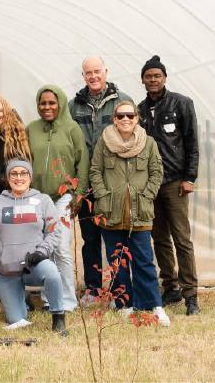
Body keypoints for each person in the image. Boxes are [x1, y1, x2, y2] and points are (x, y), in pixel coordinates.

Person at [87, 100, 168, 326]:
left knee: (144, 260)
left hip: (140, 212)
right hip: (111, 213)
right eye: (120, 116)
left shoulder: (148, 143)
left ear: (136, 118)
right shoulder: (104, 143)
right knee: (117, 261)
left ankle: (153, 305)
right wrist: (103, 195)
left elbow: (156, 171)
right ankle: (124, 304)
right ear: (114, 118)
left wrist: (147, 195)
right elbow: (95, 171)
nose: (125, 119)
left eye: (130, 116)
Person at [0, 158, 72, 334]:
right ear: (7, 178)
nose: (19, 177)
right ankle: (22, 299)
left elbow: (54, 232)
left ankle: (58, 317)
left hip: (33, 265)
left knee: (52, 272)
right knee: (17, 320)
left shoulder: (43, 200)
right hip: (5, 272)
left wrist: (41, 253)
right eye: (14, 174)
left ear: (30, 177)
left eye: (23, 173)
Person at [138, 55, 200, 315]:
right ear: (142, 80)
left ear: (164, 78)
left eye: (157, 76)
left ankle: (191, 294)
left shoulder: (181, 104)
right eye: (148, 76)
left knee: (182, 239)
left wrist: (190, 177)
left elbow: (191, 142)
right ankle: (170, 287)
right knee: (160, 238)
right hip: (151, 184)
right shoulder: (139, 110)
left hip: (175, 182)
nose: (153, 80)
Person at [71, 57, 135, 300]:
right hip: (86, 183)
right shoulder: (74, 106)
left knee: (116, 237)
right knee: (90, 238)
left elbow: (133, 139)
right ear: (84, 75)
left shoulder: (122, 101)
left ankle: (120, 289)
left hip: (114, 183)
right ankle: (94, 289)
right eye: (89, 73)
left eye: (97, 71)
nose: (93, 76)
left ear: (106, 71)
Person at [28, 85, 88, 304]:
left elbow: (83, 162)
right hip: (37, 197)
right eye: (43, 103)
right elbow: (25, 159)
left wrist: (79, 195)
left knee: (61, 247)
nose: (47, 107)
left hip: (64, 196)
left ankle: (67, 300)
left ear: (61, 103)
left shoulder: (72, 129)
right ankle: (49, 299)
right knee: (43, 247)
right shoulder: (32, 129)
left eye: (52, 103)